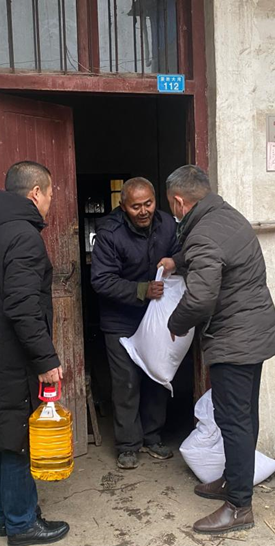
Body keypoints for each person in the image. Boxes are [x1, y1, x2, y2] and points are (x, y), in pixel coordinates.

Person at [158, 165, 275, 534]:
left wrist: (175, 324)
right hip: (254, 331)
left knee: (234, 420)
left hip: (234, 339)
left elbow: (200, 297)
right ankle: (233, 479)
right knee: (244, 415)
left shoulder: (203, 234)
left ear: (178, 202)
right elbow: (215, 255)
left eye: (171, 205)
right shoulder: (226, 216)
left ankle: (239, 507)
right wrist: (178, 261)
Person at [0, 161, 70, 546]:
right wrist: (45, 360)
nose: (51, 202)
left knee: (0, 435)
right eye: (50, 194)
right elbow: (23, 308)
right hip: (11, 358)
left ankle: (4, 515)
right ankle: (22, 523)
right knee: (17, 437)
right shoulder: (24, 236)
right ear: (35, 193)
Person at [91, 177, 180, 470]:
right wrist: (142, 290)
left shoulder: (167, 225)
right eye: (135, 206)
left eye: (148, 204)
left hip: (156, 316)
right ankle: (128, 445)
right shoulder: (109, 233)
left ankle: (152, 437)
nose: (143, 211)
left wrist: (175, 261)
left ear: (156, 200)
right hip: (120, 318)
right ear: (123, 206)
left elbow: (184, 254)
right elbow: (101, 280)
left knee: (156, 375)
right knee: (126, 382)